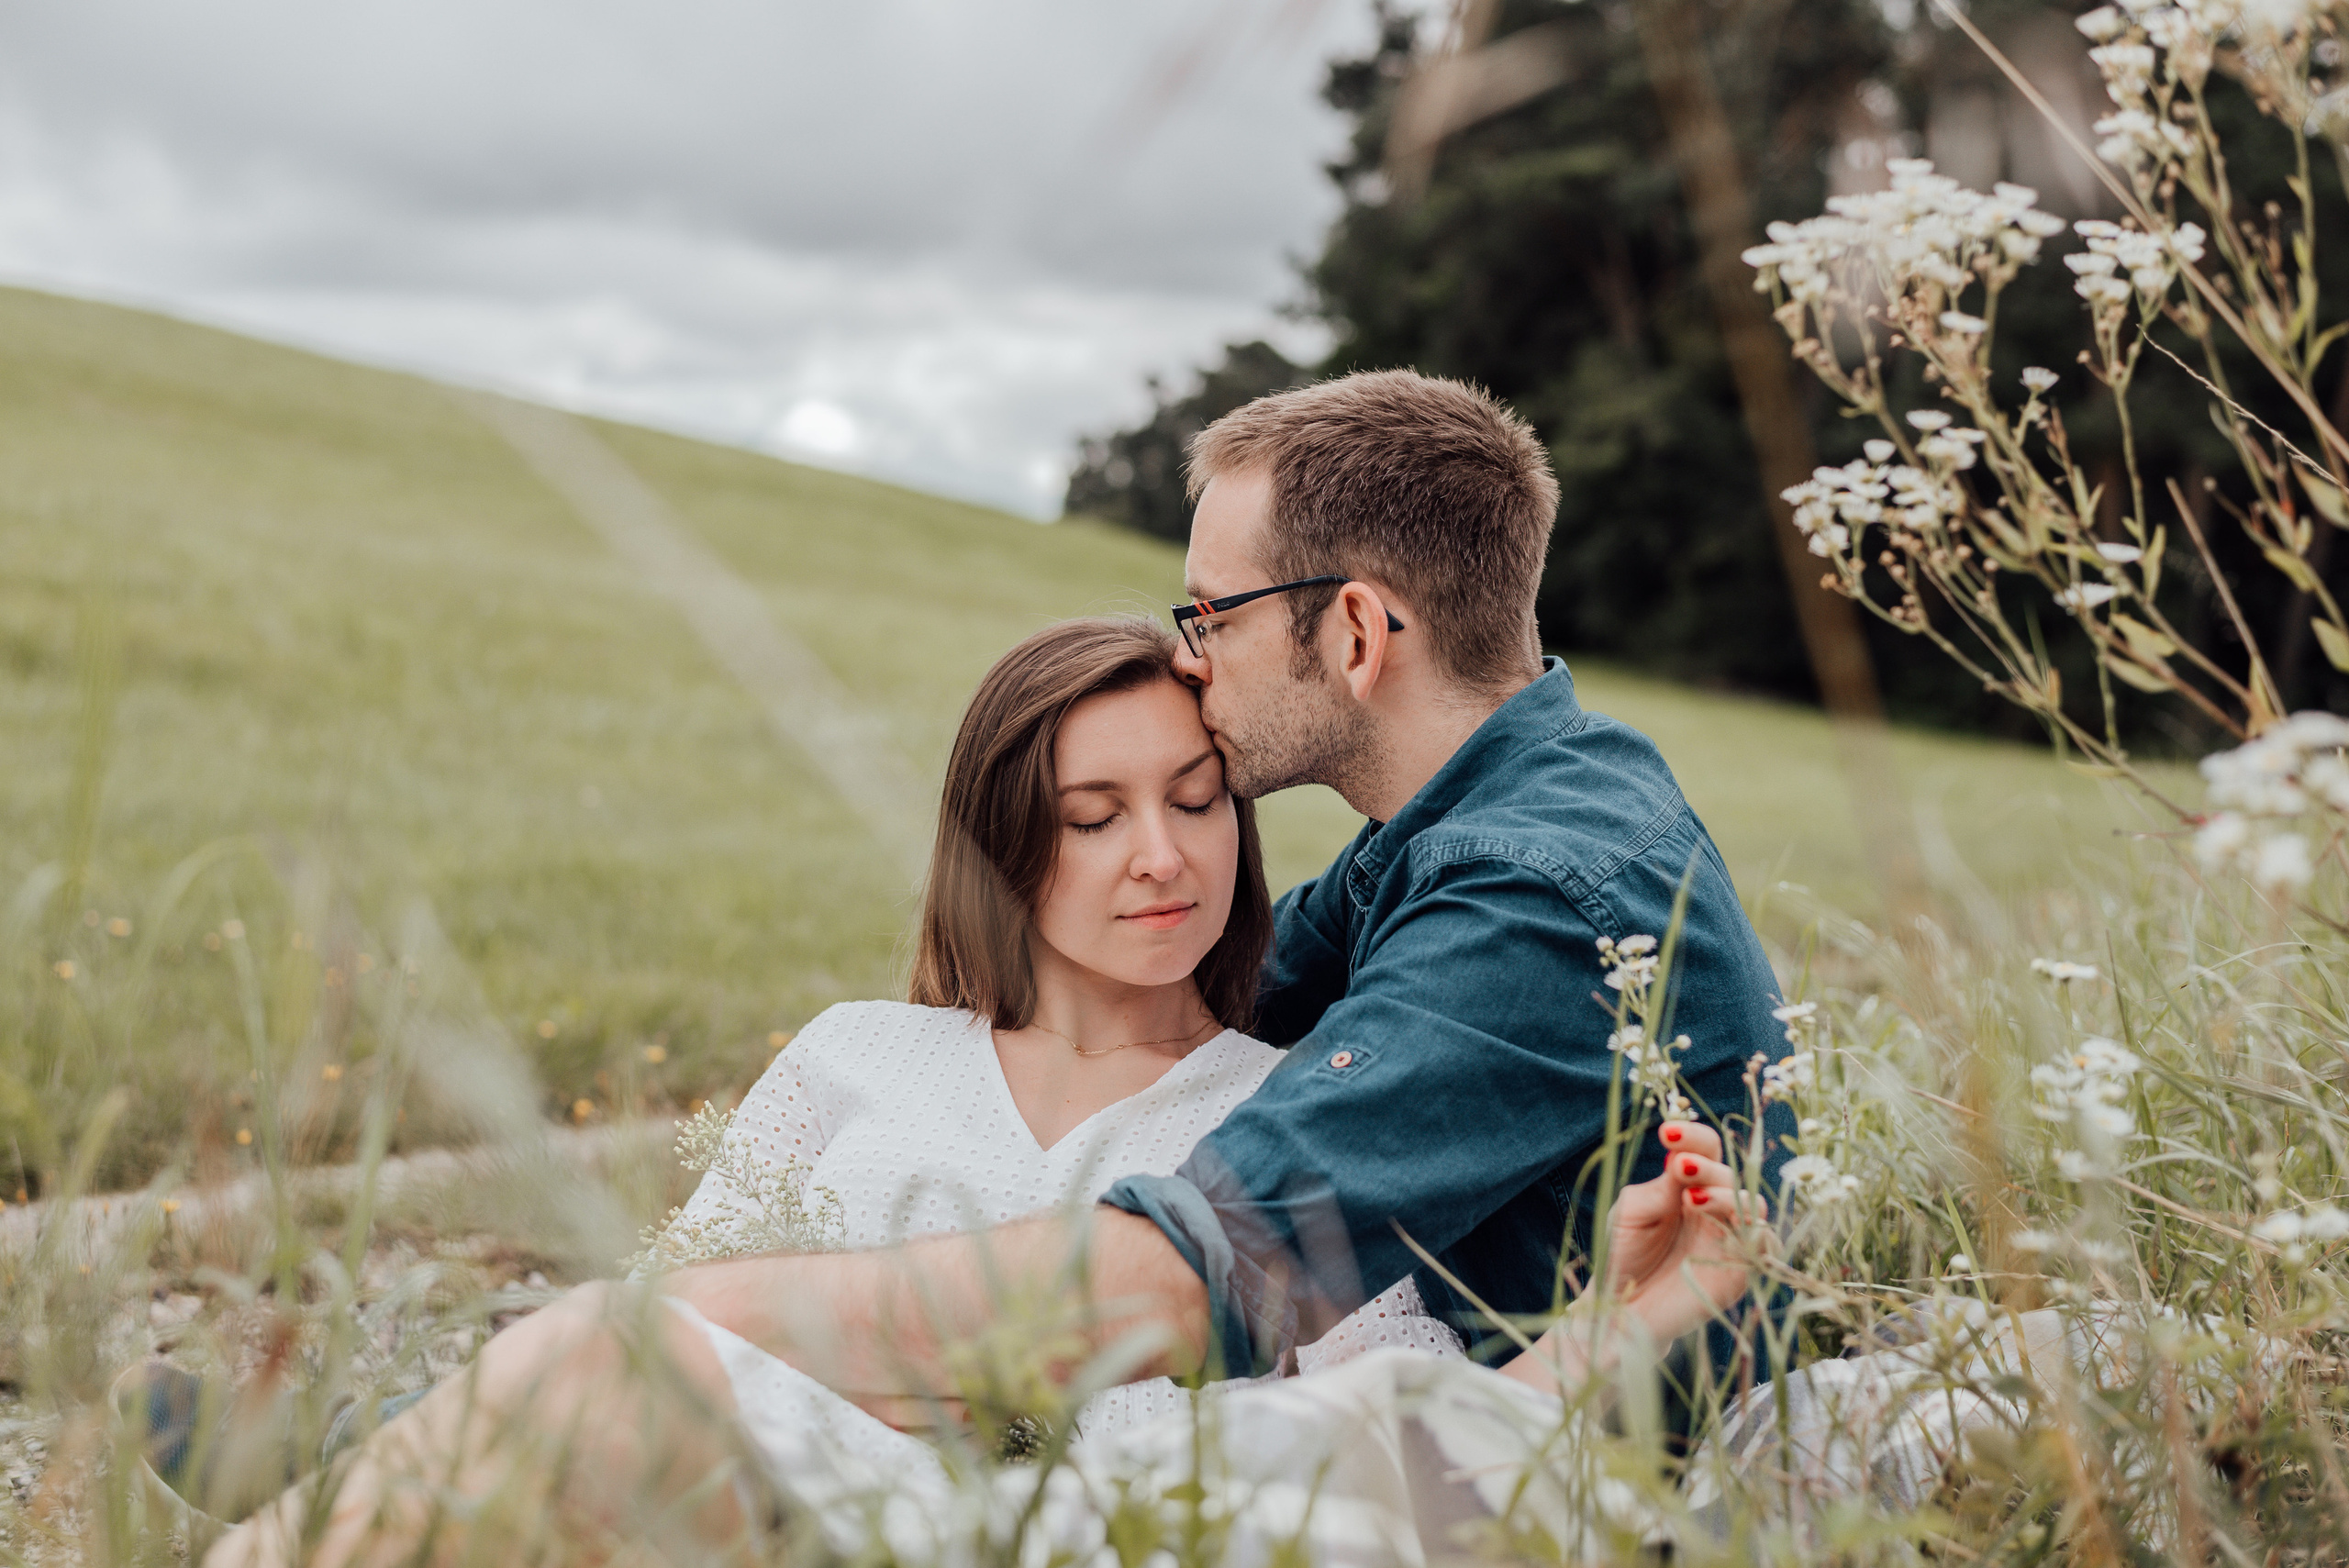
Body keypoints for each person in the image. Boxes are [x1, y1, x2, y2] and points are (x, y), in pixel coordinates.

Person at [203, 613, 1768, 1566]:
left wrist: (1611, 1335)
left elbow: (1398, 1433)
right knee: (571, 1400)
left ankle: (313, 1454)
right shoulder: (853, 1053)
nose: (1162, 855)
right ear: (1004, 844)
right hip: (740, 1496)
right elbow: (677, 1296)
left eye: (1197, 797)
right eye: (1092, 814)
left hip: (988, 1536)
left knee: (573, 1381)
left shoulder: (1272, 1102)